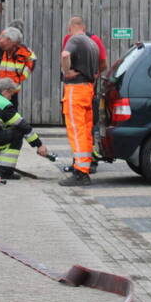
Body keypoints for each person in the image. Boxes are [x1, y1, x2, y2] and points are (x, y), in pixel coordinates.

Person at [59, 17, 99, 186]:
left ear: (72, 27)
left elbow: (65, 55)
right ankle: (84, 167)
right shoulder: (92, 43)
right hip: (88, 89)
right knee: (86, 131)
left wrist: (66, 71)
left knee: (76, 131)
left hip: (75, 90)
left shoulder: (74, 39)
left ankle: (81, 173)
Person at [0, 19, 37, 109]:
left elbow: (32, 60)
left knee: (11, 111)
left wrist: (20, 78)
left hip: (12, 90)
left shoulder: (24, 50)